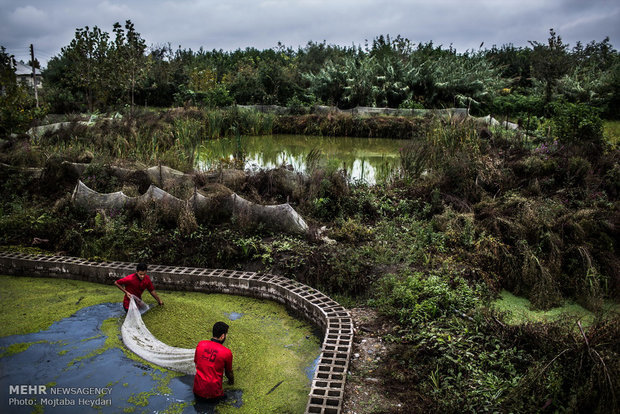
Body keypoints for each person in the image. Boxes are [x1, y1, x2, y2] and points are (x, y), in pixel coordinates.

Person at [193, 321, 234, 401]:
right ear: (222, 336)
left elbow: (196, 363)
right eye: (226, 334)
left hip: (197, 390)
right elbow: (228, 373)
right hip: (214, 394)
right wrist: (231, 382)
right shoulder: (226, 352)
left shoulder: (201, 344)